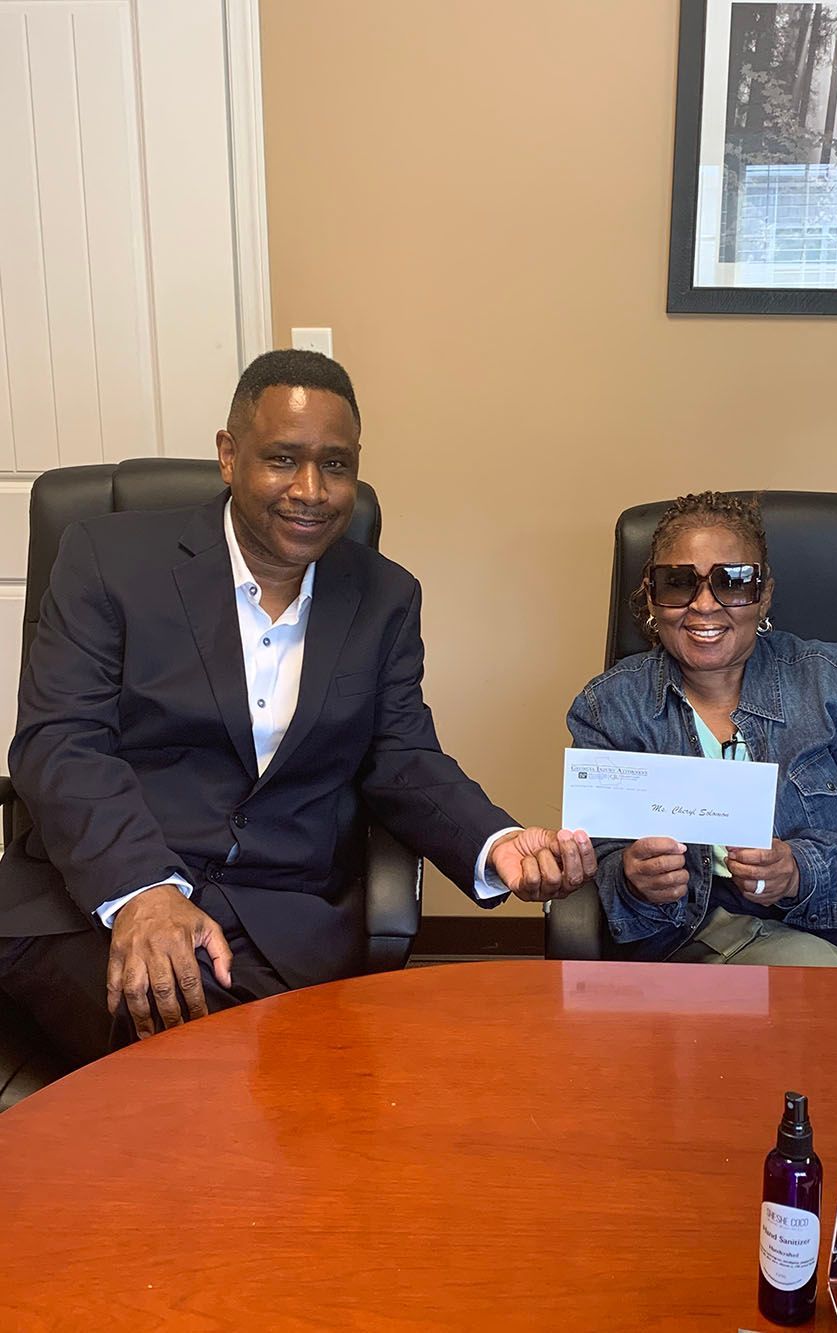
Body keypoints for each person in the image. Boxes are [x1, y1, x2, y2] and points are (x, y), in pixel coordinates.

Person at [0, 350, 596, 1068]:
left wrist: (495, 841)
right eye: (283, 458)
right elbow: (60, 743)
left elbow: (402, 758)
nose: (311, 490)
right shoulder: (108, 559)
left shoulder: (384, 597)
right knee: (212, 1073)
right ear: (228, 455)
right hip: (94, 899)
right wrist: (144, 893)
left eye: (336, 465)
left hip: (277, 925)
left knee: (266, 1081)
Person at [566, 491, 837, 968]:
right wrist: (632, 880)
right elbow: (598, 869)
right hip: (694, 943)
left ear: (764, 592)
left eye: (732, 582)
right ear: (651, 594)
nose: (704, 606)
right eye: (678, 583)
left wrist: (799, 870)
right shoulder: (607, 708)